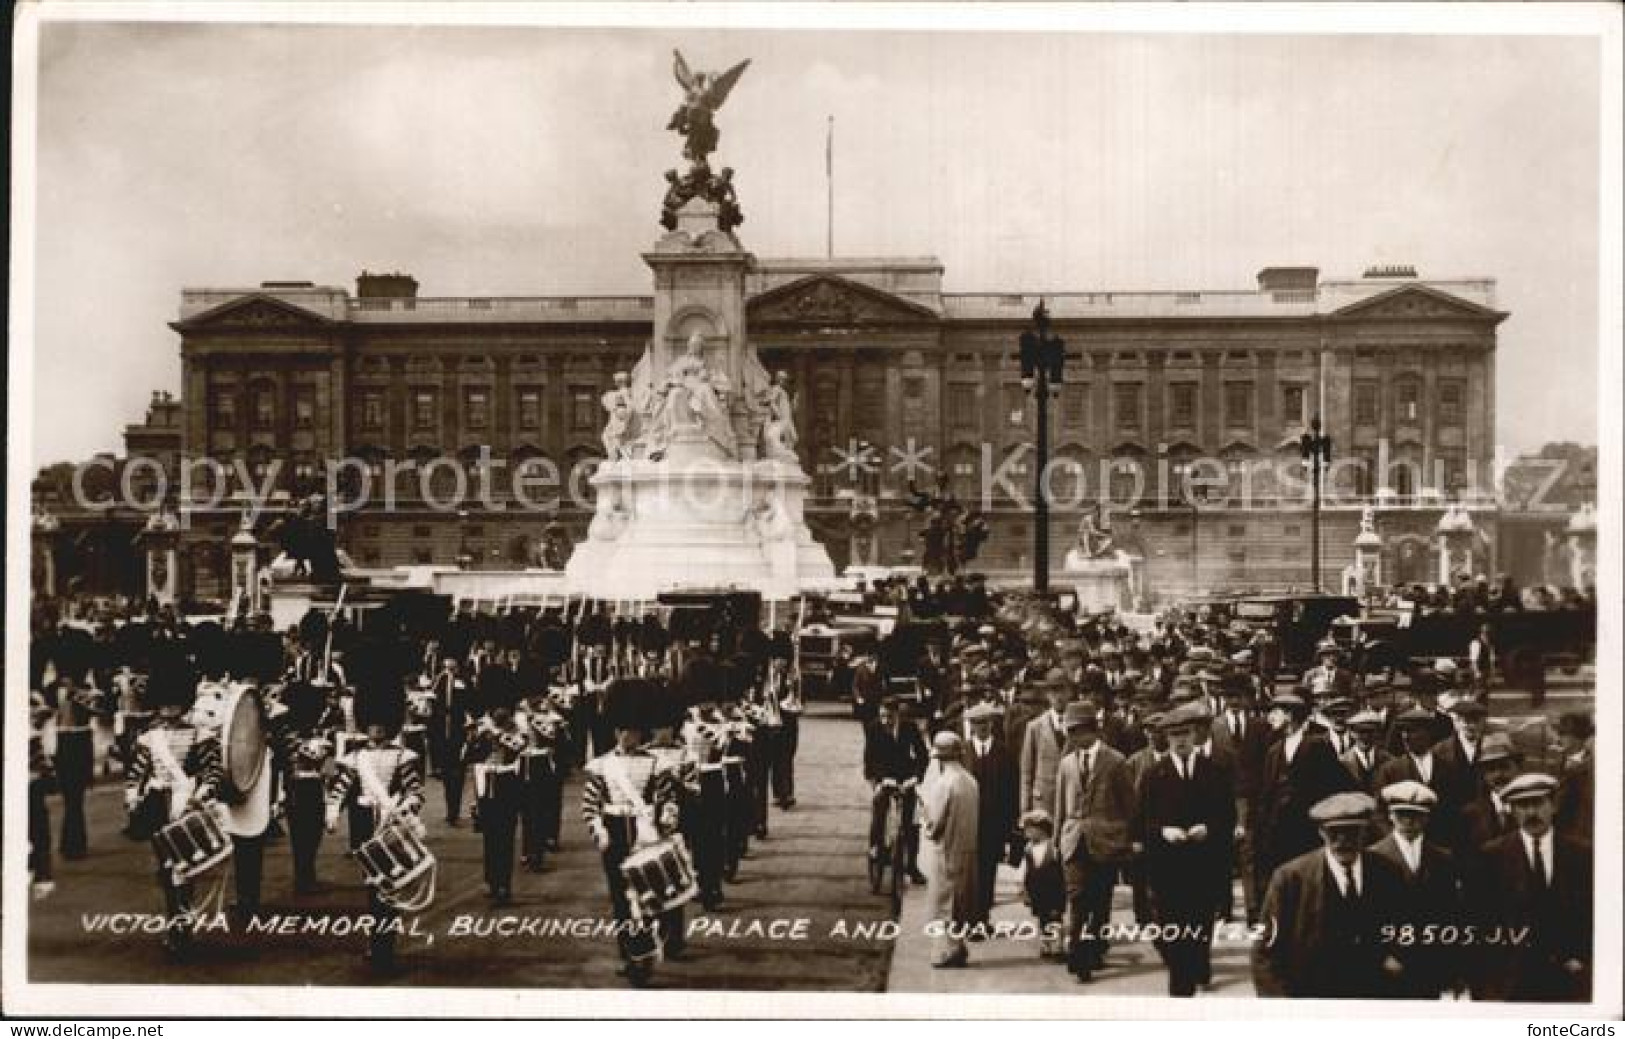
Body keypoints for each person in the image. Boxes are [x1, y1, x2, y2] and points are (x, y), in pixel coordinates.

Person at [1253, 792, 1409, 999]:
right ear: (1321, 833)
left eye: (1352, 832)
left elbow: (1405, 931)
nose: (1342, 841)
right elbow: (1264, 953)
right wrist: (1284, 1008)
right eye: (1334, 833)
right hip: (1312, 999)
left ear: (1365, 832)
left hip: (1372, 998)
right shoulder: (1291, 879)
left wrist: (1397, 960)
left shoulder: (1387, 873)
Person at [581, 679, 682, 986]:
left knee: (645, 897)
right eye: (625, 730)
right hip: (614, 834)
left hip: (645, 833)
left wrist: (667, 815)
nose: (631, 736)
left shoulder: (655, 764)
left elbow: (668, 798)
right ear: (616, 731)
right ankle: (630, 955)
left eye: (636, 731)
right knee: (620, 899)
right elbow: (590, 802)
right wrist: (597, 828)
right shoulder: (601, 765)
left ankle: (645, 954)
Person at [124, 651, 223, 959]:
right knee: (167, 869)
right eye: (165, 703)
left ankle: (182, 927)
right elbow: (138, 771)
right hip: (157, 804)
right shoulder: (149, 737)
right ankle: (176, 924)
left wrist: (204, 791)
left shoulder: (200, 734)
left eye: (174, 703)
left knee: (185, 868)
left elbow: (213, 770)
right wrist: (132, 795)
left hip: (186, 803)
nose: (169, 709)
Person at [324, 677, 426, 973]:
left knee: (388, 886)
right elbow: (341, 789)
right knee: (373, 887)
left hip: (391, 827)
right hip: (364, 827)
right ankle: (378, 941)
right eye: (372, 723)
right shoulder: (356, 757)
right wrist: (332, 811)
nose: (377, 729)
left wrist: (404, 808)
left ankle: (385, 945)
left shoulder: (403, 756)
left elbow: (415, 792)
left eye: (382, 724)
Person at [1138, 701, 1237, 997]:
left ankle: (1199, 962)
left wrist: (1208, 828)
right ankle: (1181, 988)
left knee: (1200, 923)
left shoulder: (1214, 772)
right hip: (1168, 868)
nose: (1180, 740)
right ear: (1165, 739)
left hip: (1205, 865)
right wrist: (1163, 831)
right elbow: (1141, 822)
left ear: (1194, 735)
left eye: (1185, 733)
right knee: (1173, 929)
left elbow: (1227, 815)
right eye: (1173, 735)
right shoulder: (1154, 776)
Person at [1467, 773, 1592, 1002]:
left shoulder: (1582, 853)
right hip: (1511, 979)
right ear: (1512, 811)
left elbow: (1594, 912)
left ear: (1553, 806)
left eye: (1538, 803)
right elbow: (1480, 917)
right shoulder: (1491, 855)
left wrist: (1581, 957)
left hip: (1570, 976)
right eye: (1522, 805)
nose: (1531, 812)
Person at [1055, 702, 1135, 982]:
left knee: (1100, 900)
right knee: (1076, 898)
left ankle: (1096, 948)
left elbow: (1129, 806)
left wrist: (1127, 840)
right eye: (1070, 732)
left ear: (1093, 730)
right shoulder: (1066, 764)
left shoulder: (1116, 761)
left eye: (1078, 731)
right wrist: (1057, 841)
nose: (1073, 738)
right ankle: (1078, 955)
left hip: (1106, 840)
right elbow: (1060, 807)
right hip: (1074, 839)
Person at [1368, 780, 1464, 998]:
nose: (1408, 821)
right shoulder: (1373, 857)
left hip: (1431, 961)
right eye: (1401, 814)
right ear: (1390, 816)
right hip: (1388, 963)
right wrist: (1381, 956)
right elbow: (1366, 915)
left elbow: (1450, 913)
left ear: (1426, 818)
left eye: (1415, 815)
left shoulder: (1443, 859)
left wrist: (1449, 962)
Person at [920, 731, 980, 968]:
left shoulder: (943, 785)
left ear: (938, 757)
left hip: (946, 850)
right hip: (968, 849)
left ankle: (948, 950)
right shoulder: (971, 781)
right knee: (962, 901)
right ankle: (958, 945)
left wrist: (925, 816)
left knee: (943, 904)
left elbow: (935, 826)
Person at [863, 697, 930, 884]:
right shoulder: (874, 728)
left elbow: (922, 755)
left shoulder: (910, 727)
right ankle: (876, 847)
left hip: (905, 777)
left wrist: (916, 777)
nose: (885, 721)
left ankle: (912, 866)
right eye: (882, 716)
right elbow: (869, 758)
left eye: (889, 716)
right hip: (884, 777)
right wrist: (878, 781)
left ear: (897, 714)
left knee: (912, 823)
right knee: (879, 807)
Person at [962, 701, 1016, 927]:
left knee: (988, 871)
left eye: (985, 723)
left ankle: (982, 918)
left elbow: (1011, 791)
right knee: (968, 872)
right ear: (971, 726)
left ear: (992, 724)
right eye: (976, 723)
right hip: (968, 823)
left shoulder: (1004, 752)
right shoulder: (963, 751)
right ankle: (969, 916)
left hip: (993, 823)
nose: (981, 727)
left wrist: (1009, 827)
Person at [466, 705, 527, 904]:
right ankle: (492, 880)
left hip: (507, 785)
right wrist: (474, 738)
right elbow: (469, 757)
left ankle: (504, 885)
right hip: (486, 785)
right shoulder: (483, 729)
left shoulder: (518, 731)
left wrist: (497, 734)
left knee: (505, 836)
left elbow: (518, 749)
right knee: (490, 836)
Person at [1018, 670, 1072, 820]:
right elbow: (1026, 772)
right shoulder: (1035, 727)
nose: (1058, 696)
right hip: (1043, 802)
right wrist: (1025, 810)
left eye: (1062, 690)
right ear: (1047, 695)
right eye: (1053, 691)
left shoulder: (1077, 725)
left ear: (1069, 692)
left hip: (1071, 799)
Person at [1018, 809, 1067, 960]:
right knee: (1042, 918)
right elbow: (1024, 868)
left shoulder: (1053, 849)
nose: (1026, 833)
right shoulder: (1028, 849)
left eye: (1029, 829)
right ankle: (1046, 943)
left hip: (1054, 890)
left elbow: (1062, 869)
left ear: (1041, 830)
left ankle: (1057, 944)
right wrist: (1021, 887)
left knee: (1055, 917)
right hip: (1037, 891)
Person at [1554, 711, 1594, 839]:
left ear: (1578, 736)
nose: (1558, 739)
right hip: (1559, 827)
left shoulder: (1593, 764)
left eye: (1563, 734)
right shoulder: (1556, 763)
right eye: (1559, 734)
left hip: (1582, 828)